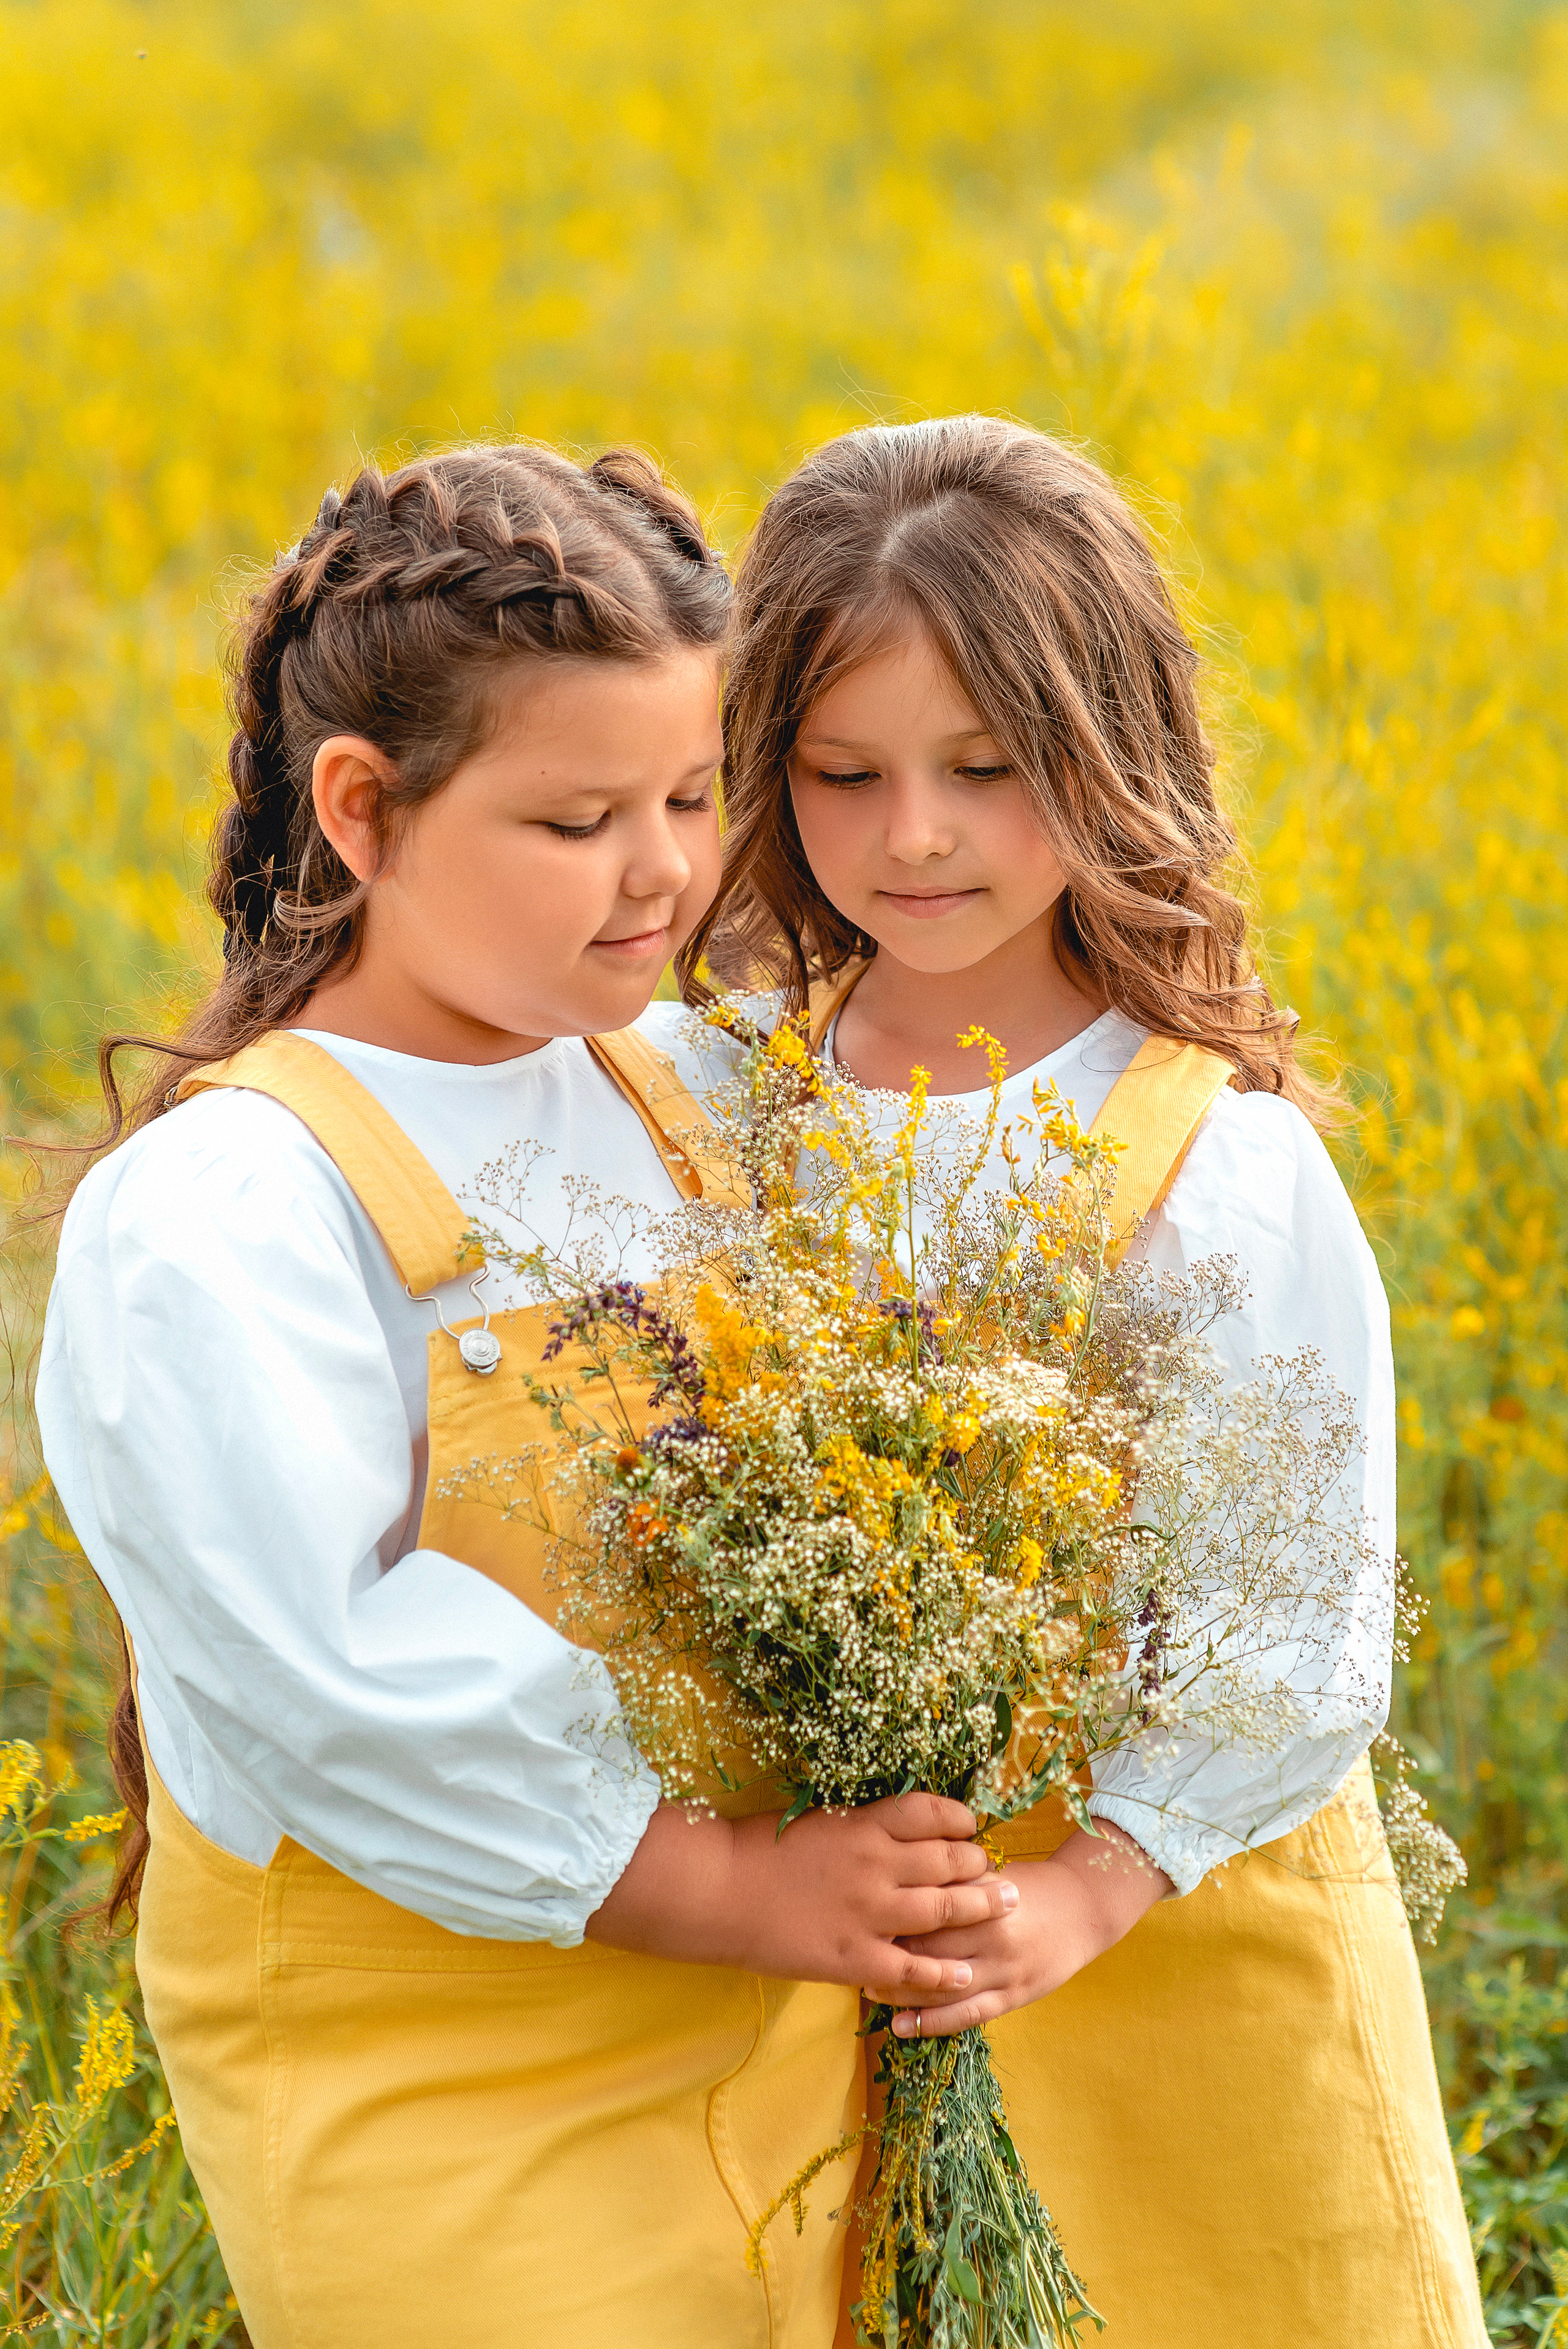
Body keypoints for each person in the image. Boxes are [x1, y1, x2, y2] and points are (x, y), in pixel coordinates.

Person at [35, 441, 1012, 2349]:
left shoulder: (698, 1090)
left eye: (691, 795)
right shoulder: (231, 1208)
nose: (665, 872)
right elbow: (335, 1681)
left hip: (772, 2031)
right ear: (363, 809)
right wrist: (745, 1885)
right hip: (440, 2069)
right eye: (578, 820)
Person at [644, 415, 1486, 2347]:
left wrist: (1093, 1887)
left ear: (1110, 751)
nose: (912, 836)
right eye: (843, 773)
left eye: (985, 768)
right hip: (842, 1937)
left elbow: (1297, 1617)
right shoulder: (712, 1100)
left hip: (1182, 1923)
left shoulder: (1214, 1158)